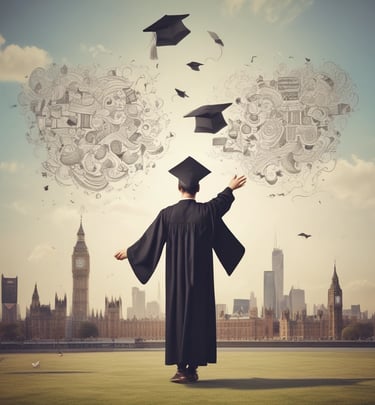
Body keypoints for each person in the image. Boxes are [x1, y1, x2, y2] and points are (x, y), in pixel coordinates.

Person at [114, 156, 246, 383]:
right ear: (198, 188)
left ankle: (180, 368)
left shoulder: (167, 215)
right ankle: (191, 369)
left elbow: (150, 239)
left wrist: (131, 251)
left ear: (179, 187)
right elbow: (220, 202)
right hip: (201, 280)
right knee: (198, 320)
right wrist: (230, 187)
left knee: (178, 319)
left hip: (176, 281)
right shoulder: (206, 213)